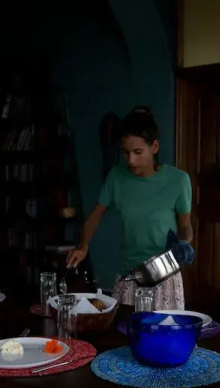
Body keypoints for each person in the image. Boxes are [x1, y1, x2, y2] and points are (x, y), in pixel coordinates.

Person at [66, 107, 193, 309]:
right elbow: (95, 216)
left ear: (155, 147)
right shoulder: (117, 177)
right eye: (125, 152)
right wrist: (83, 245)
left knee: (161, 328)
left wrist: (184, 244)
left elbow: (185, 225)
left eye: (138, 152)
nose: (131, 160)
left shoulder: (178, 181)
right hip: (130, 273)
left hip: (164, 274)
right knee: (125, 326)